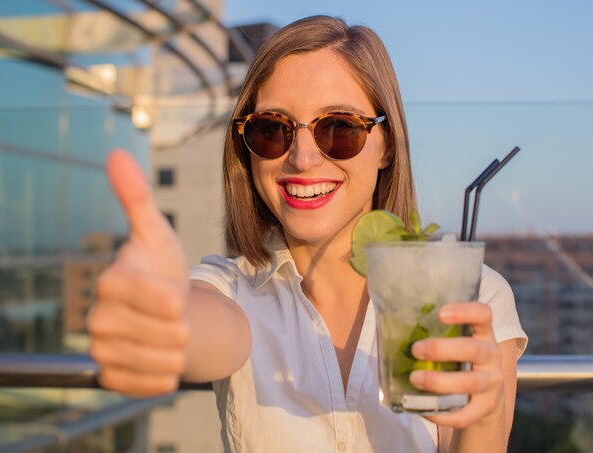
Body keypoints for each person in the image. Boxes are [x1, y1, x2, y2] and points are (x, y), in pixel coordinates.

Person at [87, 15, 527, 453]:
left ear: (387, 145)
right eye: (272, 129)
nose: (302, 157)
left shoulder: (473, 297)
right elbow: (210, 330)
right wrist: (165, 319)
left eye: (339, 128)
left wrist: (484, 412)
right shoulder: (233, 288)